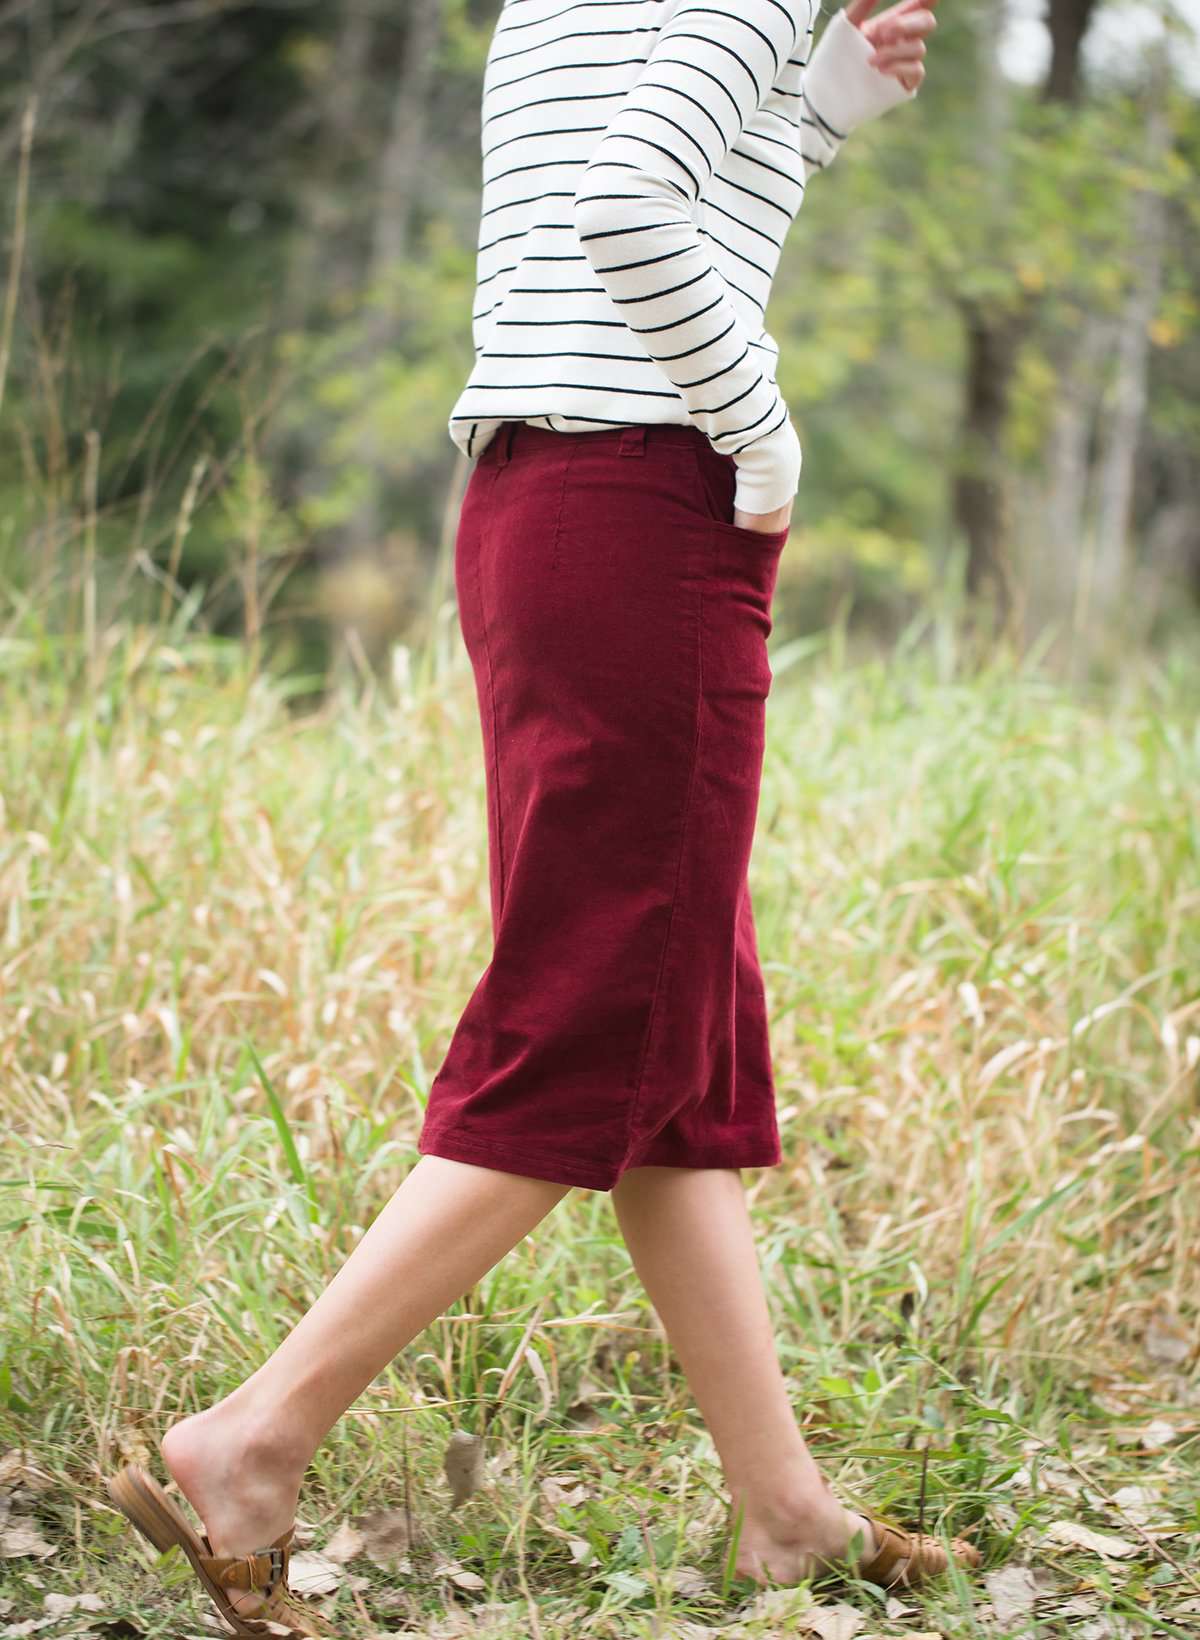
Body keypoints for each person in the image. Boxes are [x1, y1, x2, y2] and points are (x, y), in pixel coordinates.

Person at [108, 0, 982, 1632]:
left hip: (540, 510)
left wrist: (821, 109)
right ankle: (255, 1435)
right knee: (598, 1017)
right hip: (650, 509)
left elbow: (643, 197)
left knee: (677, 1030)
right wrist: (765, 436)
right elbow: (631, 210)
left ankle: (783, 1510)